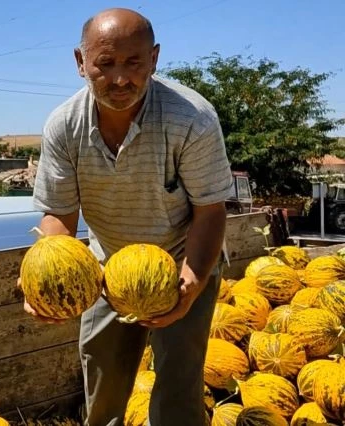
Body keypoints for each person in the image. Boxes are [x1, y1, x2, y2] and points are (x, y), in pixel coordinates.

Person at [25, 8, 232, 426]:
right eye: (105, 64)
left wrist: (189, 286)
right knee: (101, 385)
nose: (120, 79)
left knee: (177, 389)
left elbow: (211, 212)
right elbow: (59, 217)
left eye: (134, 63)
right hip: (107, 266)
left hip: (184, 261)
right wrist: (45, 272)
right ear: (81, 62)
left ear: (154, 59)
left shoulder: (191, 118)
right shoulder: (64, 126)